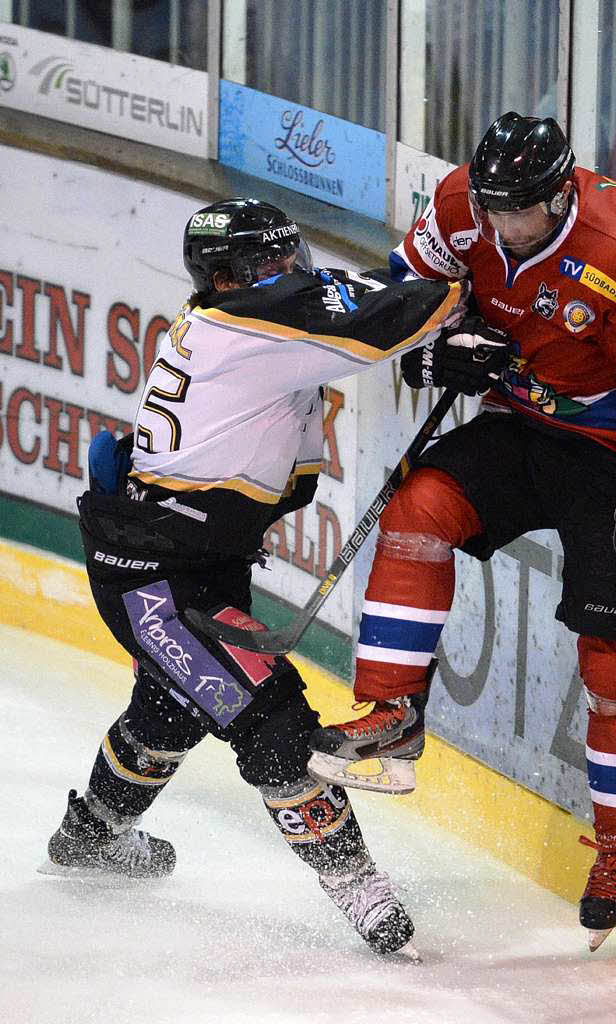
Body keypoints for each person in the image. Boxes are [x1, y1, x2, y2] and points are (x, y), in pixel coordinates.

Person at [42, 196, 508, 958]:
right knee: (274, 732)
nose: (291, 272)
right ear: (227, 276)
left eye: (291, 257)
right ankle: (368, 900)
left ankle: (87, 838)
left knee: (171, 711)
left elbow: (348, 330)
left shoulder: (240, 321)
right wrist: (476, 282)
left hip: (178, 564)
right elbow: (392, 308)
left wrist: (431, 354)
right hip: (159, 585)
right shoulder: (257, 323)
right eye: (271, 261)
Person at [308, 113, 616, 950]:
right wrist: (436, 350)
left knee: (614, 657)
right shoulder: (464, 203)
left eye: (517, 211)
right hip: (519, 421)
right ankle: (392, 713)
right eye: (491, 206)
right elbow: (406, 287)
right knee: (419, 507)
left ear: (559, 192)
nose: (498, 225)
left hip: (611, 451)